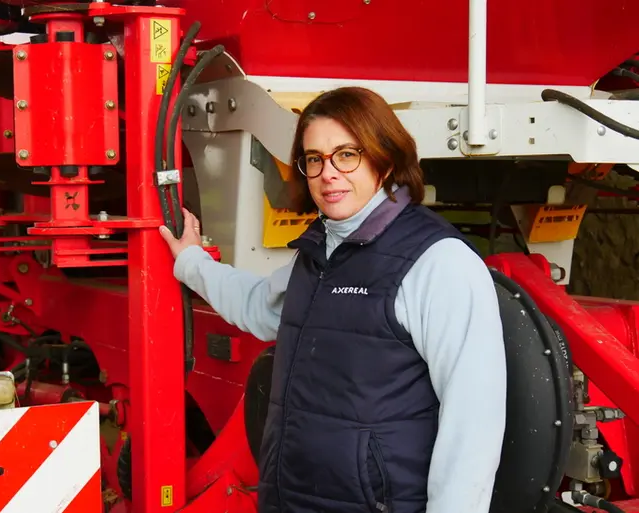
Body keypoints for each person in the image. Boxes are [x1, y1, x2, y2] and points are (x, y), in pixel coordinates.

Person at [160, 86, 506, 513]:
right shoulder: (320, 252)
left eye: (347, 154)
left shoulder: (439, 262)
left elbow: (474, 426)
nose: (329, 173)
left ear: (385, 158)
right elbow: (257, 305)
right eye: (314, 159)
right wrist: (193, 261)